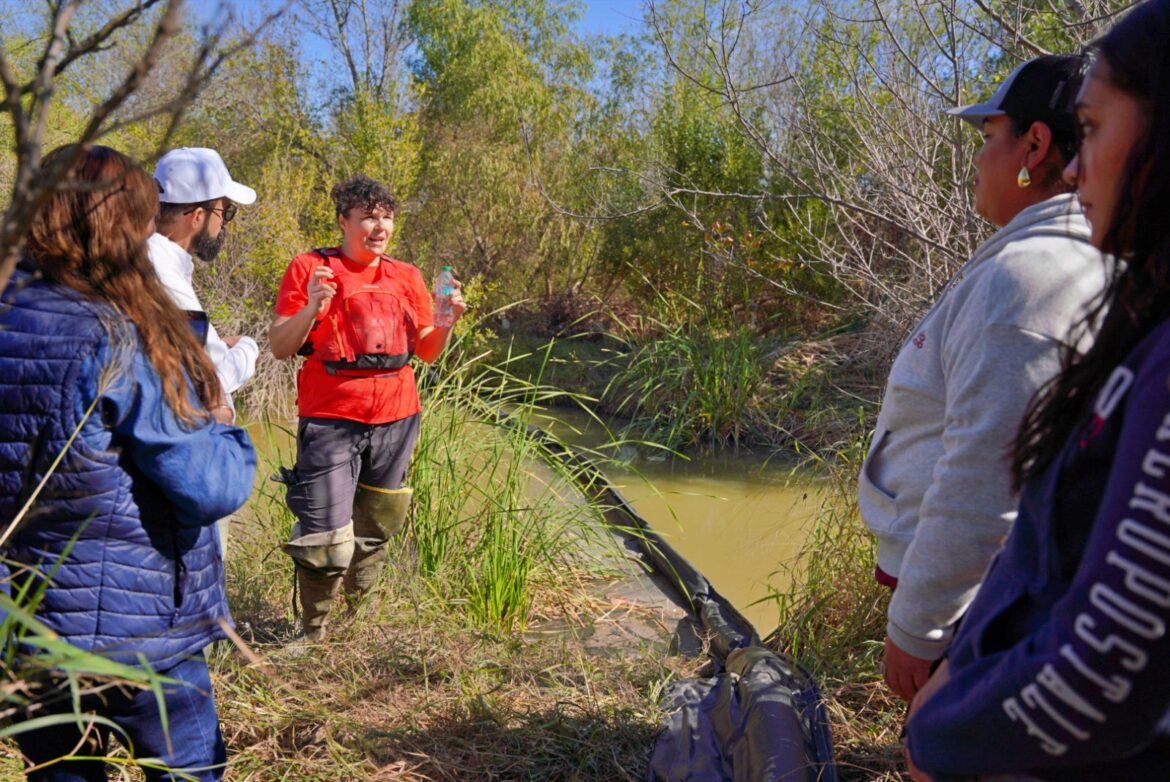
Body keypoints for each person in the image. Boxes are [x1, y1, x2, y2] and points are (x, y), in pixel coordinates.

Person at [905, 1, 1170, 778]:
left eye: (1092, 129)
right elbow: (1040, 553)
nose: (1077, 169)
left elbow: (1109, 655)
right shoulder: (1138, 320)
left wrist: (942, 736)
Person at [0, 146, 256, 779]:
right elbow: (208, 485)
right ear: (121, 225)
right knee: (187, 771)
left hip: (31, 624)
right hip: (141, 632)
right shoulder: (118, 333)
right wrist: (226, 431)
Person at [857, 54, 1107, 702]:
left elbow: (985, 476)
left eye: (989, 137)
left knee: (944, 755)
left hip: (988, 613)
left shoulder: (1030, 280)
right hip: (995, 603)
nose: (977, 158)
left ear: (1035, 142)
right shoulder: (1056, 260)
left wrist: (917, 626)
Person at [269, 174, 465, 641]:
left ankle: (358, 627)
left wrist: (447, 320)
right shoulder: (310, 268)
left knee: (375, 525)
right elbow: (280, 345)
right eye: (368, 217)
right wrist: (312, 307)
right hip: (331, 414)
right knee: (324, 531)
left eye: (387, 217)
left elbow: (428, 351)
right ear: (344, 222)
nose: (379, 227)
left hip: (397, 413)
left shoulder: (407, 276)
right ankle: (312, 634)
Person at [150, 147, 259, 557]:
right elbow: (216, 376)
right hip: (178, 455)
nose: (224, 224)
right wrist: (246, 347)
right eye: (224, 212)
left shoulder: (154, 258)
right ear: (197, 215)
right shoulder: (159, 266)